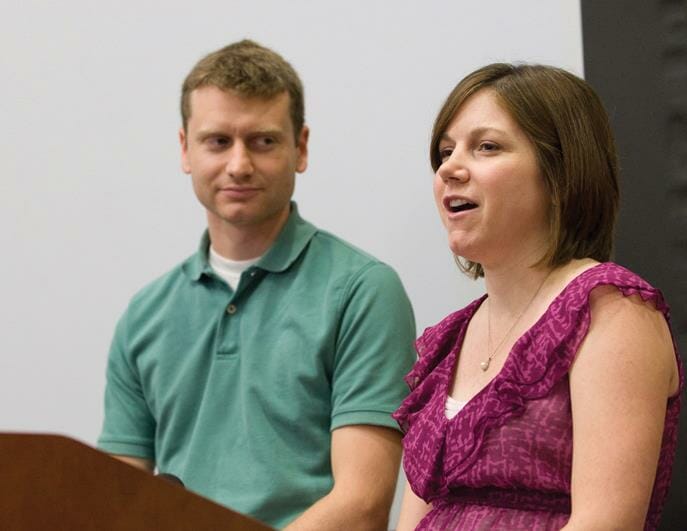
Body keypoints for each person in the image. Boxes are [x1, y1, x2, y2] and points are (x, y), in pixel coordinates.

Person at [97, 39, 416, 530]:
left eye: (263, 141)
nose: (239, 164)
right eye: (218, 141)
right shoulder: (144, 316)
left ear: (301, 147)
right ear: (185, 149)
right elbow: (114, 501)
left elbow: (362, 505)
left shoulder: (362, 291)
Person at [393, 63, 683, 530]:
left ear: (560, 172)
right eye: (445, 152)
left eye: (486, 146)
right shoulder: (450, 340)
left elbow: (605, 523)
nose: (449, 167)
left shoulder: (610, 310)